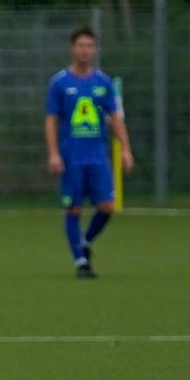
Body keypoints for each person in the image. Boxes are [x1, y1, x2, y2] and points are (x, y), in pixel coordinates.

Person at [43, 26, 134, 278]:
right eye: (81, 46)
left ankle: (84, 242)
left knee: (107, 206)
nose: (85, 51)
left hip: (98, 157)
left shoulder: (103, 83)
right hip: (71, 157)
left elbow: (115, 118)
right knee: (73, 209)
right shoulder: (60, 83)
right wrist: (53, 153)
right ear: (73, 48)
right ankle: (81, 261)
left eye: (89, 46)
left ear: (94, 50)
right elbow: (51, 119)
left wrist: (126, 149)